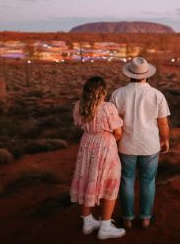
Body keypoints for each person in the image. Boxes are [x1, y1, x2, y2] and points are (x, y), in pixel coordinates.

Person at [110, 57, 170, 229]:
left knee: (127, 180)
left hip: (125, 145)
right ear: (147, 75)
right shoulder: (157, 95)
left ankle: (127, 219)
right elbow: (163, 123)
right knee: (148, 181)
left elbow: (114, 122)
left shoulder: (118, 94)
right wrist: (165, 140)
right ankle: (145, 218)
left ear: (129, 74)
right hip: (150, 145)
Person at [70, 76, 126, 240]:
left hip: (86, 144)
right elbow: (118, 132)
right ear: (103, 91)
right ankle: (106, 226)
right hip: (105, 146)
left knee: (86, 178)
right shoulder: (108, 108)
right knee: (111, 182)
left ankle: (87, 222)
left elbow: (79, 124)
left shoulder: (79, 106)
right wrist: (109, 141)